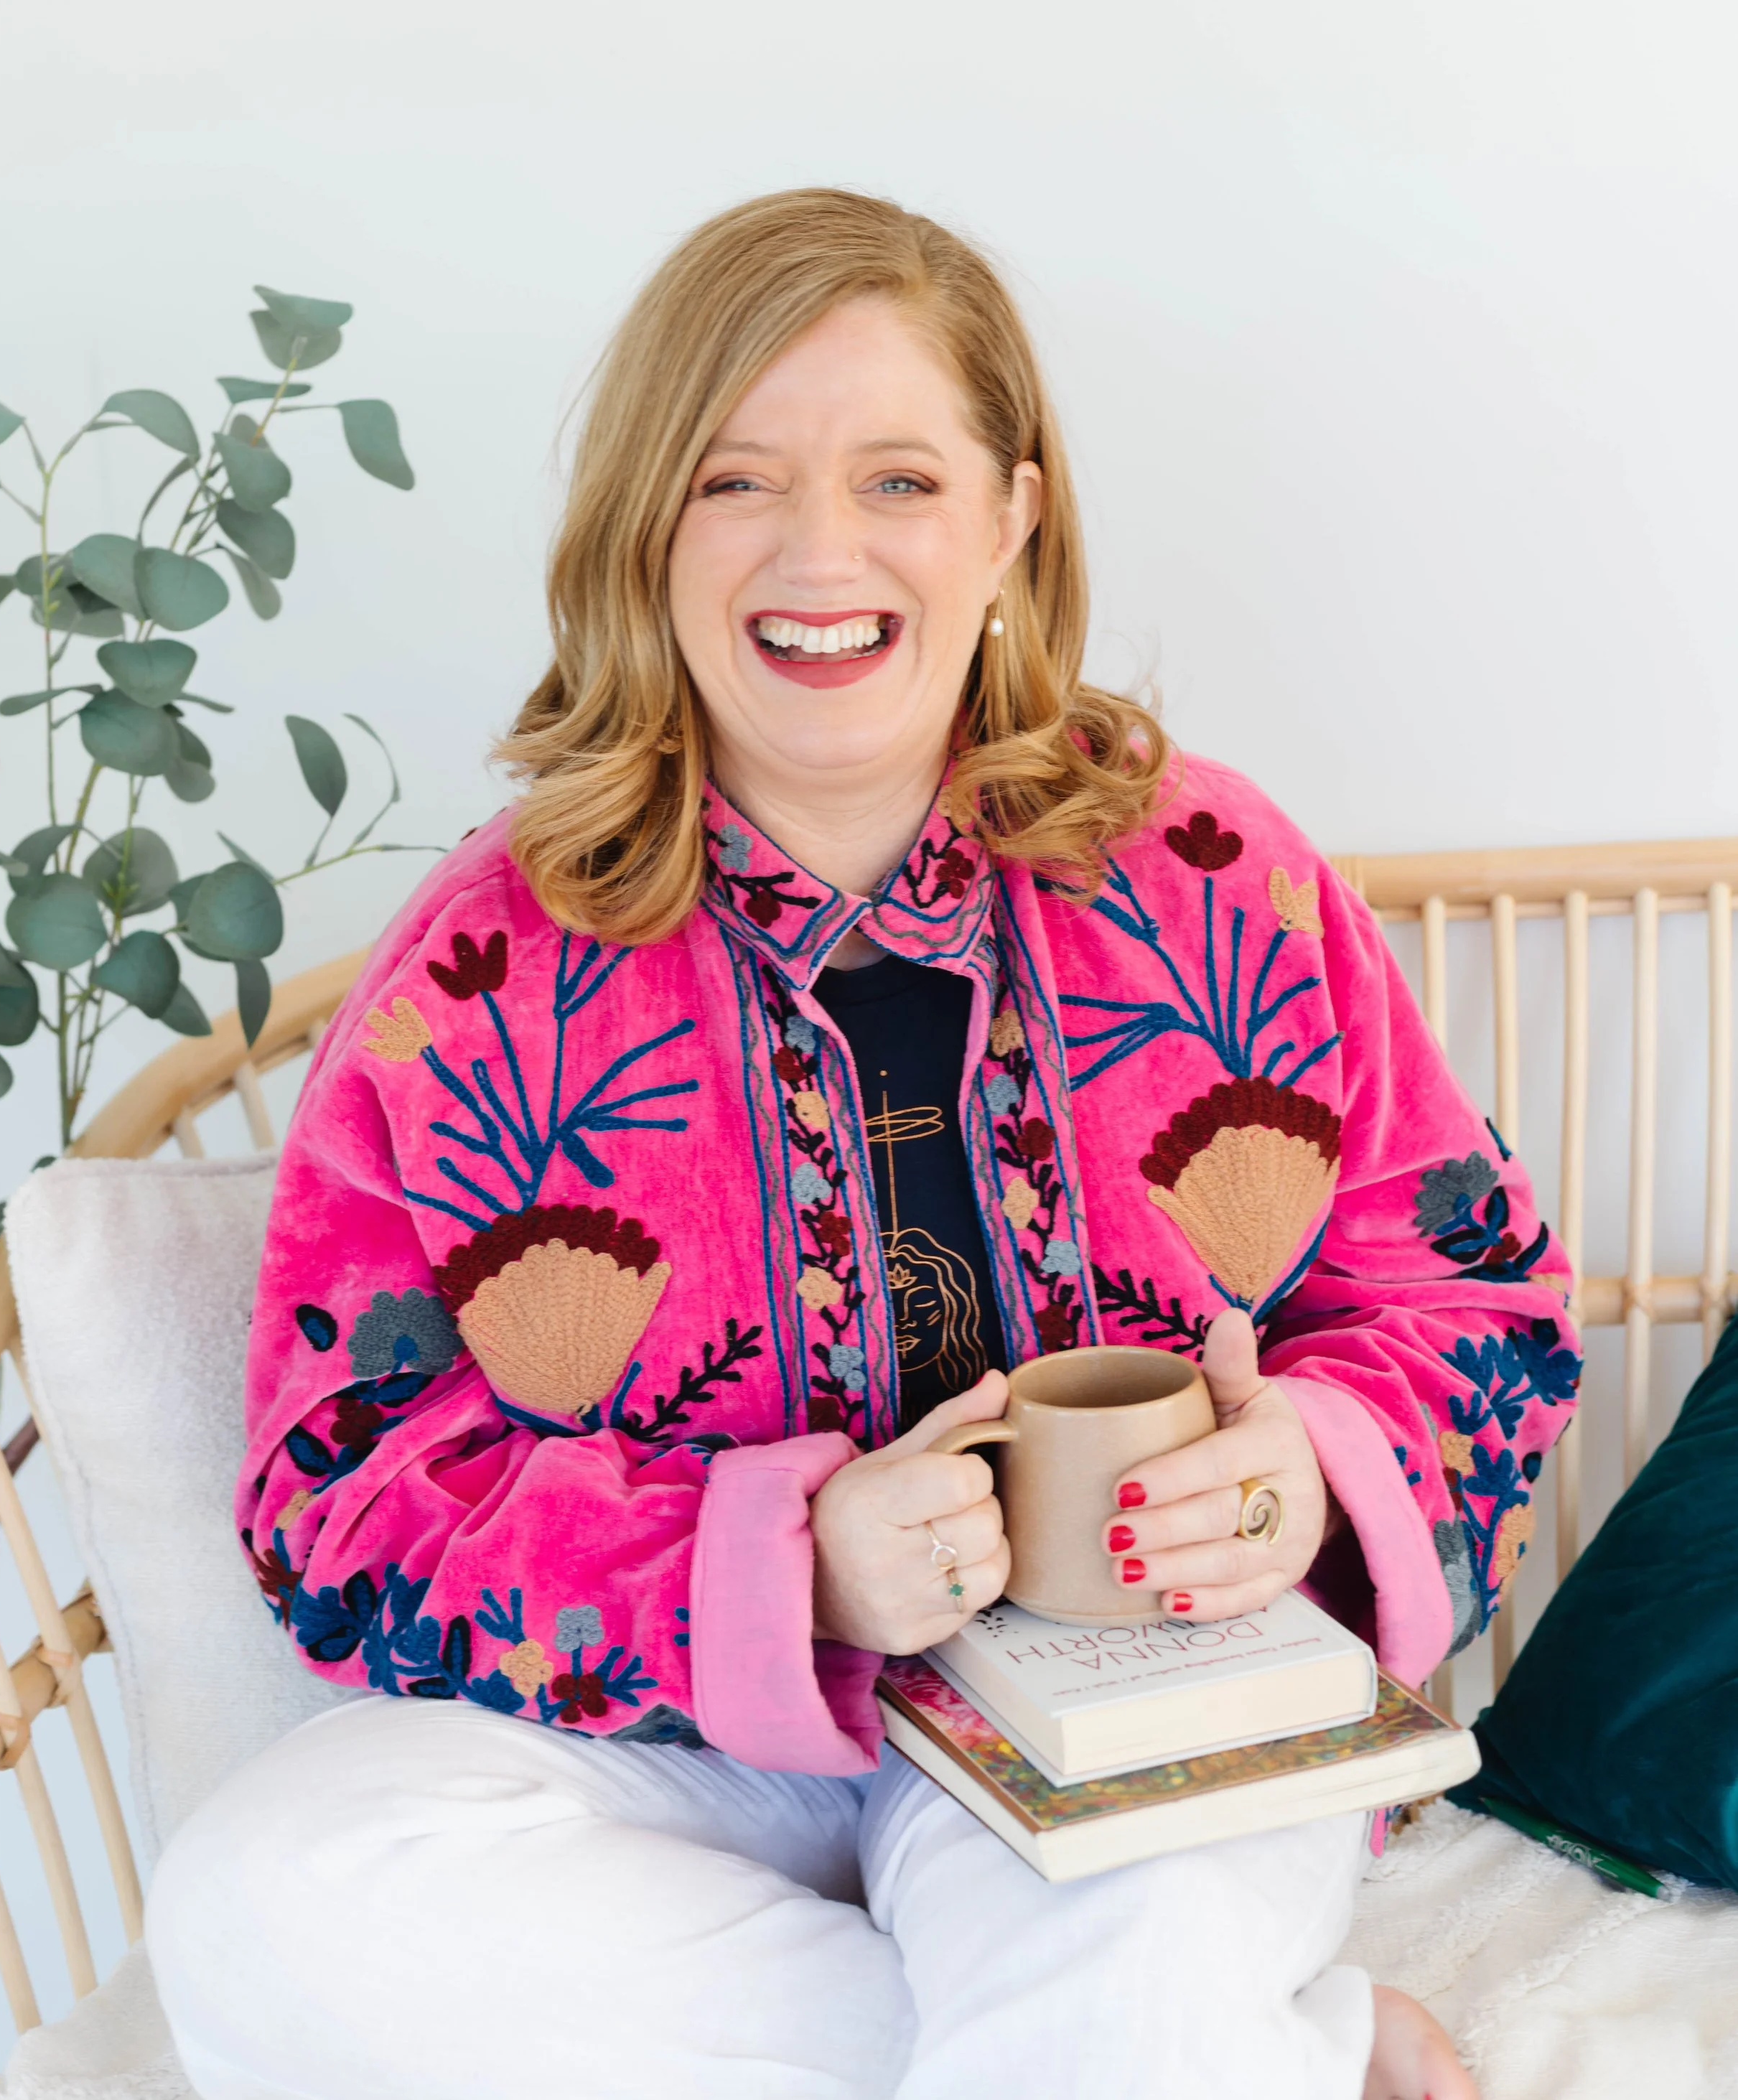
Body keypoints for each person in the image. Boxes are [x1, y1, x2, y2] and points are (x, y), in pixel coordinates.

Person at [147, 190, 1580, 2100]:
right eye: (736, 478)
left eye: (897, 476)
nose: (819, 550)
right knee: (273, 1904)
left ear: (1010, 513)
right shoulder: (487, 965)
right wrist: (777, 1569)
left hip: (1141, 1690)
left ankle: (1154, 2021)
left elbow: (1469, 1292)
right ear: (647, 531)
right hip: (675, 1753)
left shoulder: (1209, 873)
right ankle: (1266, 2053)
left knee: (1126, 1930)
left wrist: (1303, 1478)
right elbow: (344, 1484)